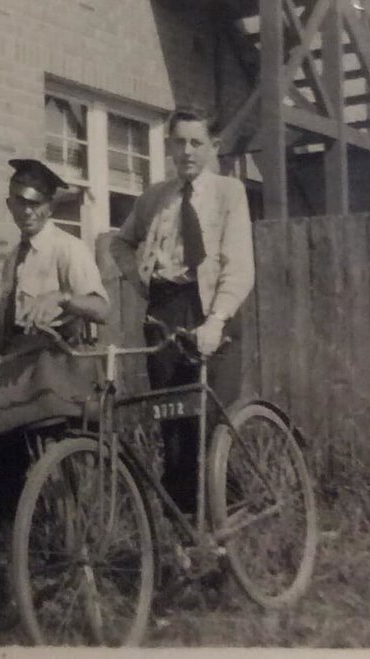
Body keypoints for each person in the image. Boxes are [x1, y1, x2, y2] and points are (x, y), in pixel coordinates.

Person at [0, 158, 109, 561]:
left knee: (22, 433)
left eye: (37, 204)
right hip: (20, 368)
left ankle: (62, 540)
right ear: (9, 206)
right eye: (20, 203)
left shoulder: (67, 249)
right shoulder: (14, 258)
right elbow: (6, 324)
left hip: (58, 366)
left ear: (50, 207)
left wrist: (62, 297)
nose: (28, 212)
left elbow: (100, 307)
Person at [109, 105, 254, 514]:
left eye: (196, 142)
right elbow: (120, 243)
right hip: (164, 311)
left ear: (213, 146)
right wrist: (141, 282)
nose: (187, 151)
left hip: (210, 311)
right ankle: (182, 529)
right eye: (179, 142)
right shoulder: (156, 197)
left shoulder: (229, 193)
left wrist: (217, 319)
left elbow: (239, 266)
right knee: (170, 422)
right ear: (169, 144)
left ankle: (227, 518)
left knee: (210, 422)